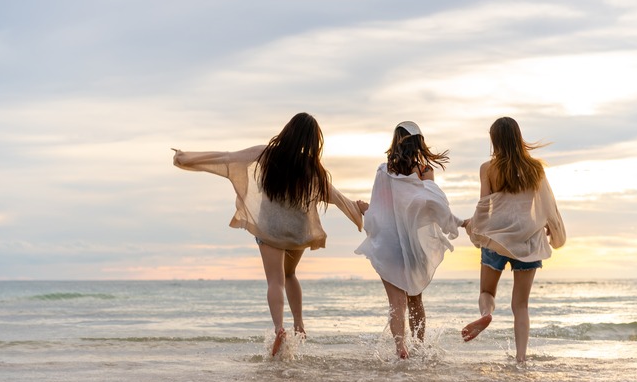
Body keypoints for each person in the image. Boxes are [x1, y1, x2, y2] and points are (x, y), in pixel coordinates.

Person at [172, 112, 366, 356]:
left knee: (275, 280)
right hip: (297, 232)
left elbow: (226, 159)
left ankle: (279, 329)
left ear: (288, 131)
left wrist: (184, 157)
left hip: (270, 229)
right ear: (313, 141)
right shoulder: (311, 168)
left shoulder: (267, 153)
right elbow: (336, 196)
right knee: (291, 274)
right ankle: (299, 324)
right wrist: (357, 210)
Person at [355, 121, 464, 359]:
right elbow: (430, 207)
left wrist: (366, 210)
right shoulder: (424, 171)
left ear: (396, 141)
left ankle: (399, 350)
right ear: (419, 142)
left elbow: (381, 210)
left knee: (396, 304)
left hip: (390, 245)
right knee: (415, 300)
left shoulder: (384, 171)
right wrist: (455, 222)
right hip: (414, 246)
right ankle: (418, 347)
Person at [461, 116, 566, 363]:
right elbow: (548, 205)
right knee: (521, 305)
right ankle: (521, 358)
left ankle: (486, 314)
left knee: (487, 291)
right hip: (528, 242)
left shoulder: (488, 169)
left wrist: (473, 227)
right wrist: (553, 229)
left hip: (497, 239)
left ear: (495, 141)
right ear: (518, 137)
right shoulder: (535, 169)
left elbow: (484, 206)